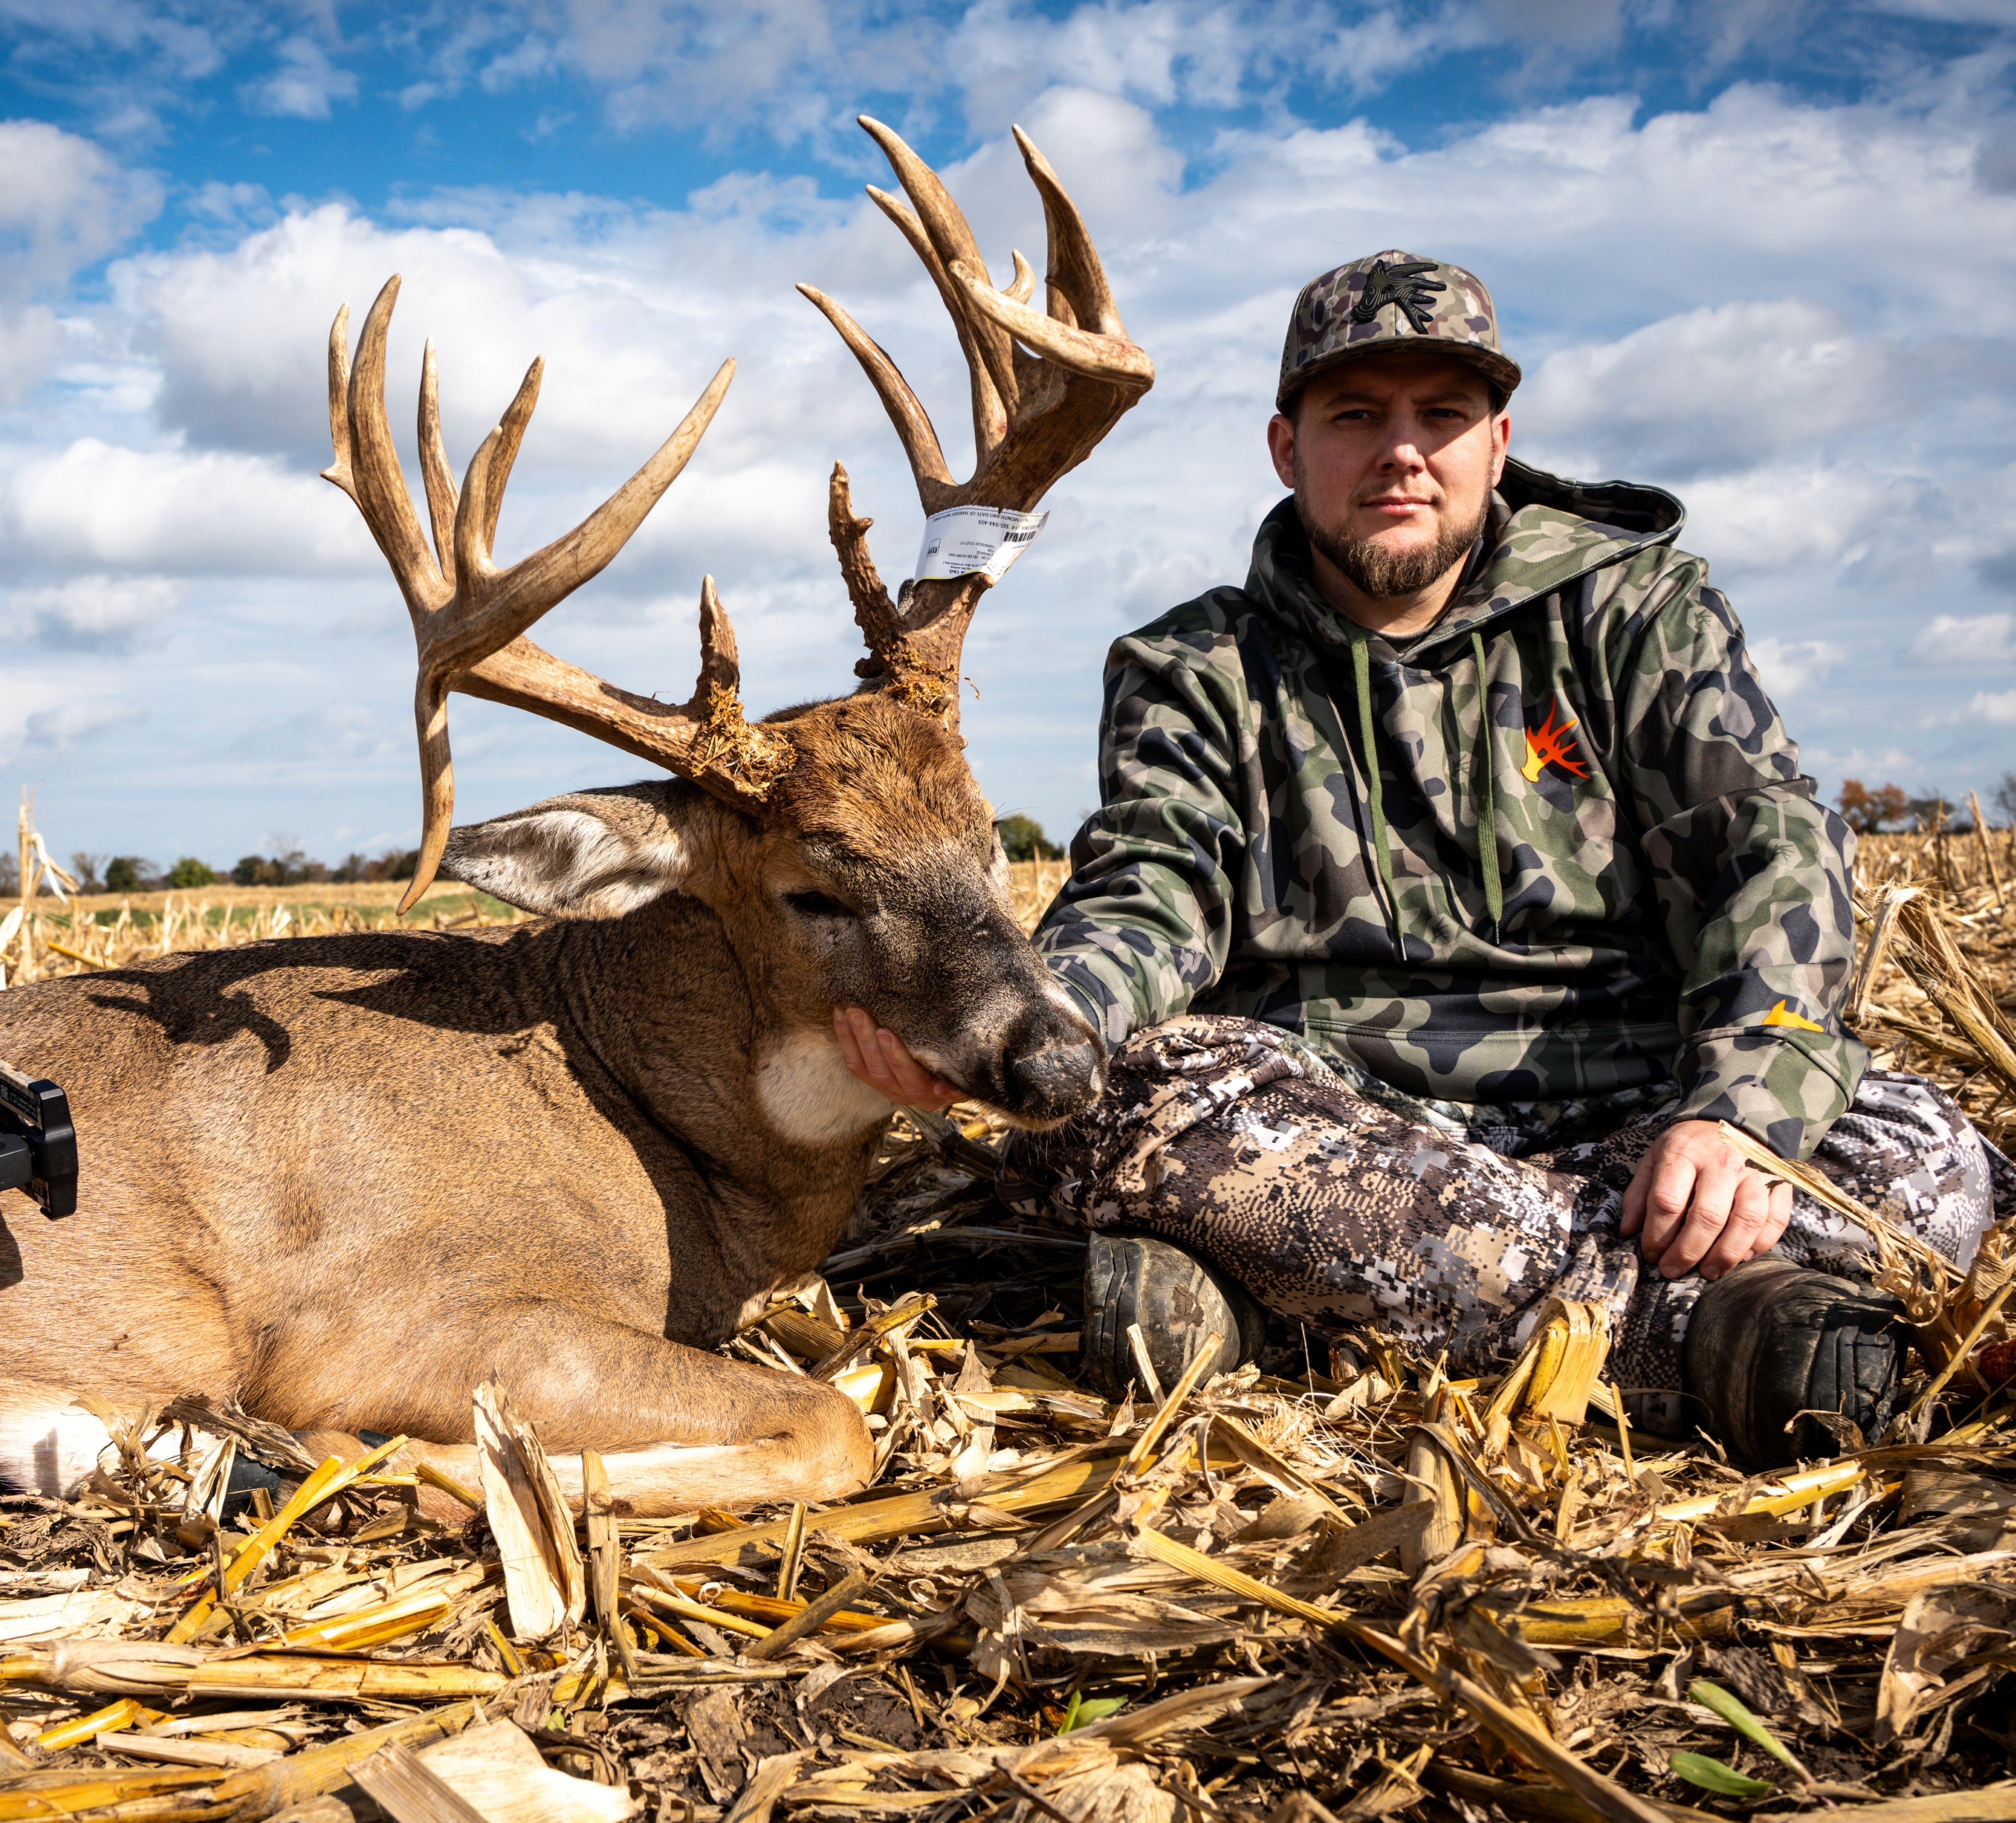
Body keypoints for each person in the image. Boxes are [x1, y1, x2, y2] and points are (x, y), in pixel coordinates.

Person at [834, 252, 2008, 1468]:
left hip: (1637, 1111)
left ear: (1495, 443)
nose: (1401, 451)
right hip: (1331, 1116)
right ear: (1287, 449)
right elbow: (1151, 889)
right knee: (1113, 1104)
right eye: (1355, 416)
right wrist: (1037, 1025)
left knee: (1913, 1148)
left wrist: (1740, 1114)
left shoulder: (1637, 612)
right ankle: (1713, 1339)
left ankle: (1295, 1308)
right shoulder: (1192, 668)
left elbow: (1764, 847)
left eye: (1438, 415)